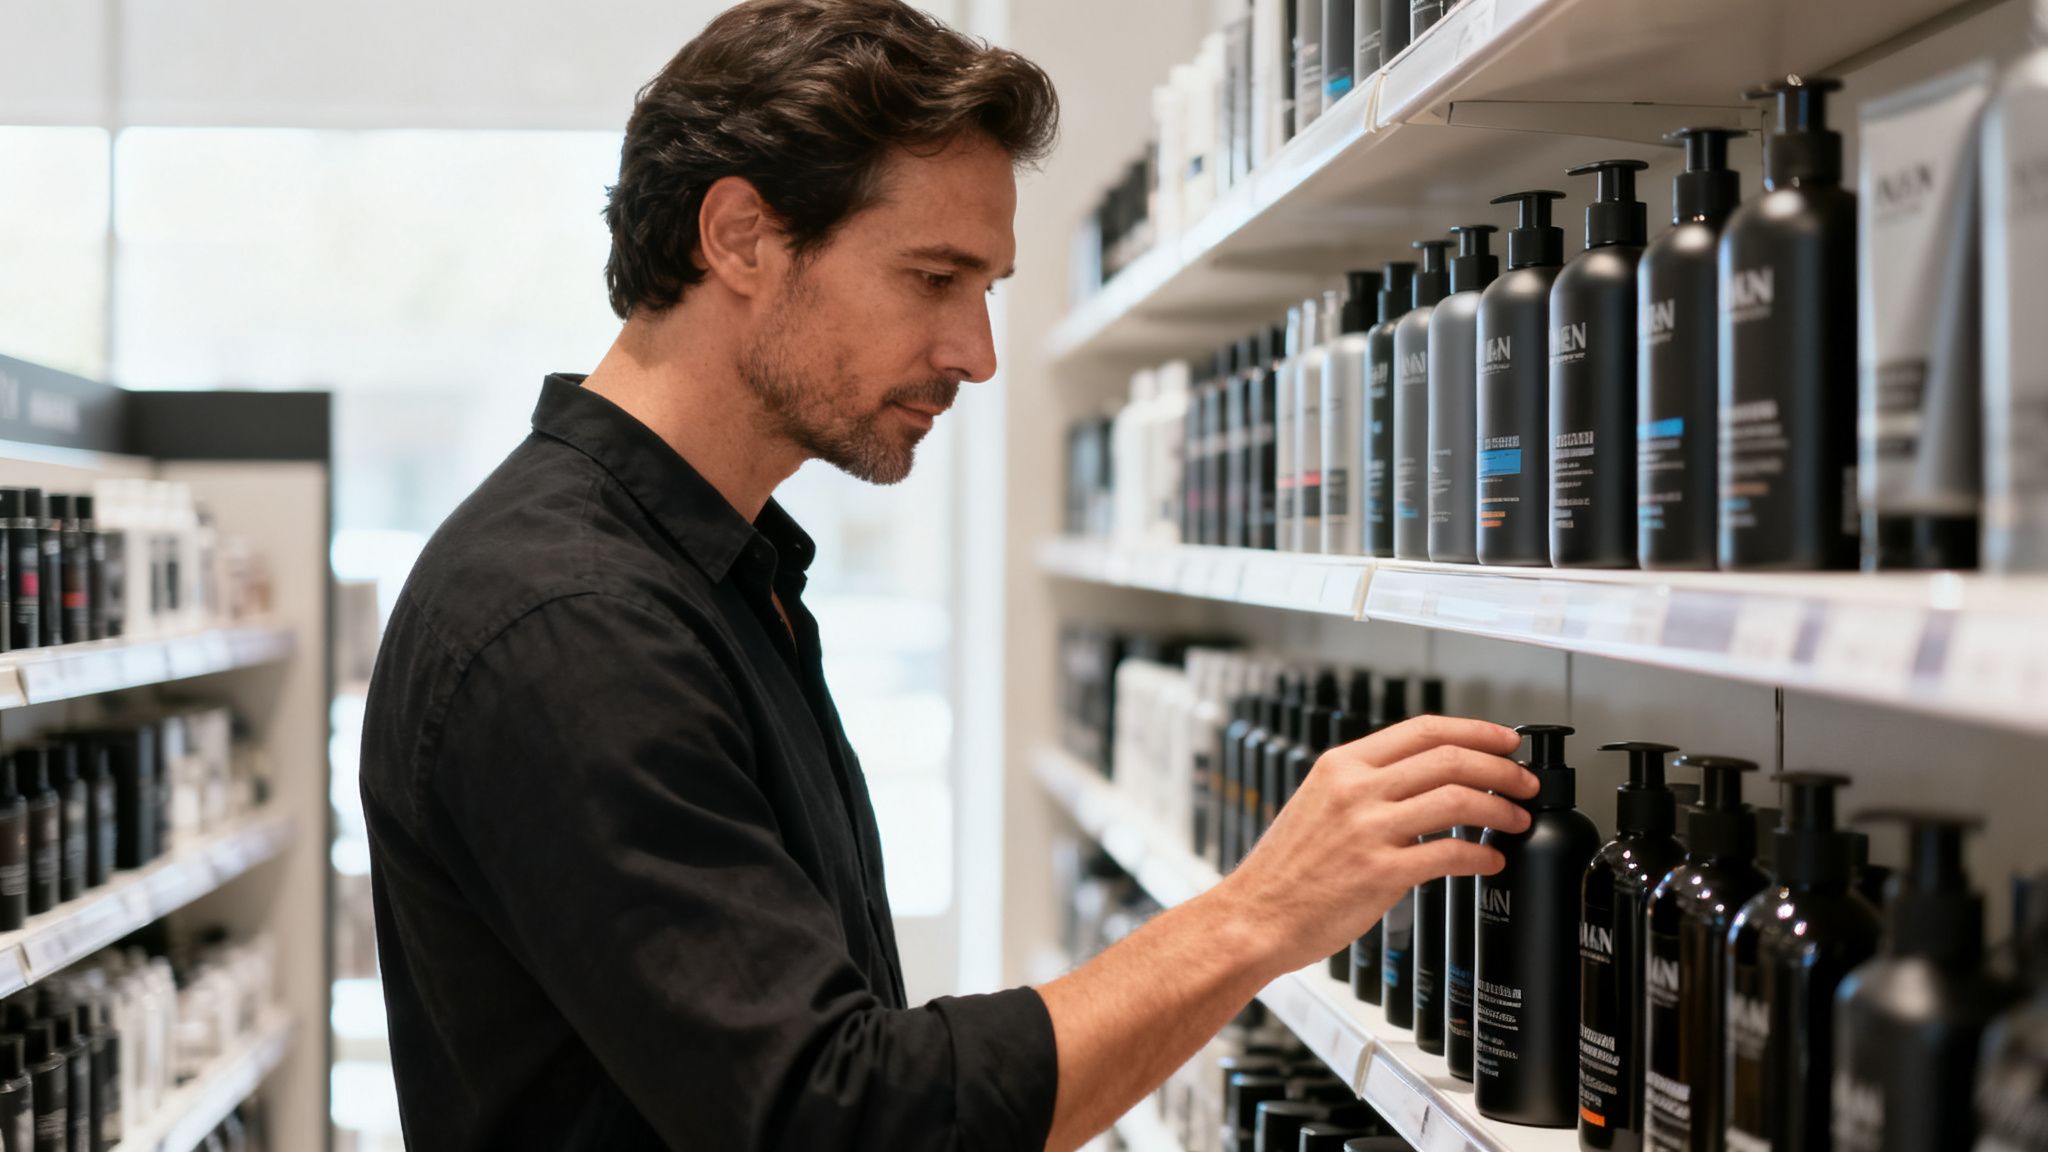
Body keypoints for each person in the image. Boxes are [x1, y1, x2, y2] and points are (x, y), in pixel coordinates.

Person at [358, 1, 1539, 1149]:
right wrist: (1255, 916)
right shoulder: (572, 624)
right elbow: (837, 1118)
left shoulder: (712, 569)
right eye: (932, 279)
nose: (973, 355)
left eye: (986, 292)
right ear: (739, 238)